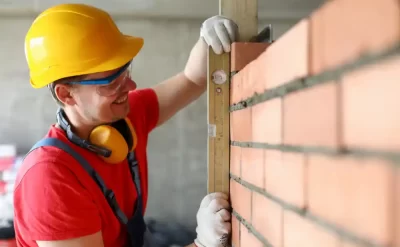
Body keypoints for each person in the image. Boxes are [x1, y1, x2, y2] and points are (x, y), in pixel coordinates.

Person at [13, 3, 238, 247]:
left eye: (125, 72)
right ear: (66, 94)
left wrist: (208, 41)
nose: (130, 87)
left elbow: (192, 79)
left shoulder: (123, 117)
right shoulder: (49, 179)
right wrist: (202, 244)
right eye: (111, 82)